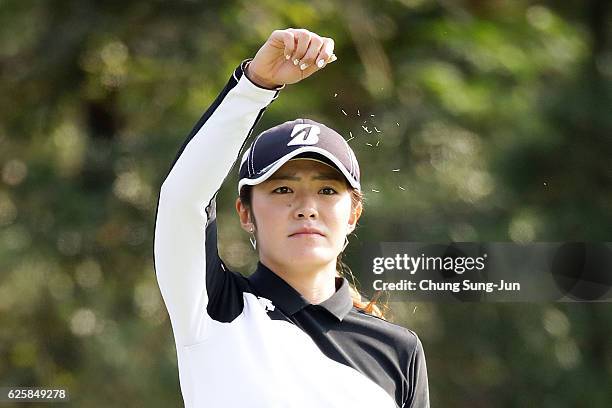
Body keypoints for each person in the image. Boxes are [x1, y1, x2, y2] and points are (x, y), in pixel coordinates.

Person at [154, 28, 429, 408]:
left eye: (328, 191)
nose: (306, 207)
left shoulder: (398, 351)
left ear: (353, 214)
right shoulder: (214, 308)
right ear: (245, 213)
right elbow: (182, 200)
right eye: (282, 190)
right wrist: (256, 85)